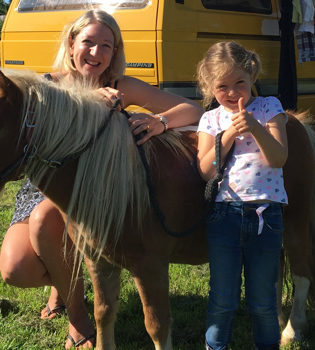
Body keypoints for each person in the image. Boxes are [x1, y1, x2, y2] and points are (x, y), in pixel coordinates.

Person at [0, 9, 204, 349]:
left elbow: (193, 110)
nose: (96, 53)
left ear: (115, 52)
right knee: (16, 268)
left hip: (101, 189)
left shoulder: (120, 85)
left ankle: (78, 319)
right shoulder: (49, 87)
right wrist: (91, 102)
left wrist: (160, 121)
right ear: (71, 43)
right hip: (47, 185)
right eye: (88, 42)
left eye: (106, 46)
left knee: (45, 222)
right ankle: (64, 283)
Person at [196, 41, 288, 350]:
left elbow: (278, 158)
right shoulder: (210, 120)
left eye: (240, 83)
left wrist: (255, 128)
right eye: (222, 86)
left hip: (266, 215)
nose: (233, 92)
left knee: (263, 301)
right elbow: (206, 171)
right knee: (222, 299)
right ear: (210, 87)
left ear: (251, 77)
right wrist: (231, 133)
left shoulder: (268, 107)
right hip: (225, 214)